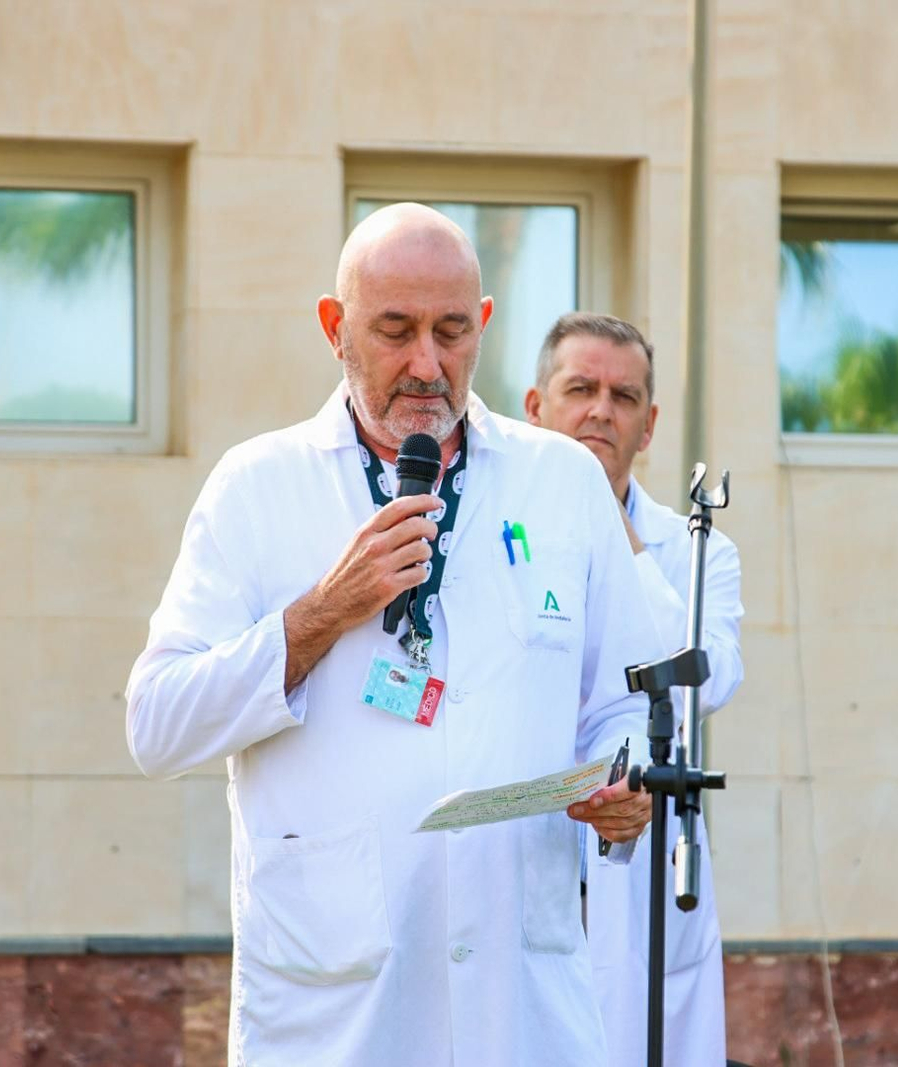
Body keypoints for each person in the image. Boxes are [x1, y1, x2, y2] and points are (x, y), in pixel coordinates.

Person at [125, 204, 664, 1066]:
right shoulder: (257, 487)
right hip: (336, 1011)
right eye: (396, 330)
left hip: (519, 1005)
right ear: (334, 327)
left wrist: (624, 790)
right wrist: (319, 616)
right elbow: (156, 724)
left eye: (453, 331)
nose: (428, 364)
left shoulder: (560, 483)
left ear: (484, 324)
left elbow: (624, 708)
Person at [525, 312, 744, 1067]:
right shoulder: (496, 535)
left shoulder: (696, 551)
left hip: (641, 848)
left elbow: (705, 677)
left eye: (623, 397)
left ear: (648, 426)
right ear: (534, 407)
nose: (600, 410)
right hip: (519, 835)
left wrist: (613, 534)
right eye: (579, 388)